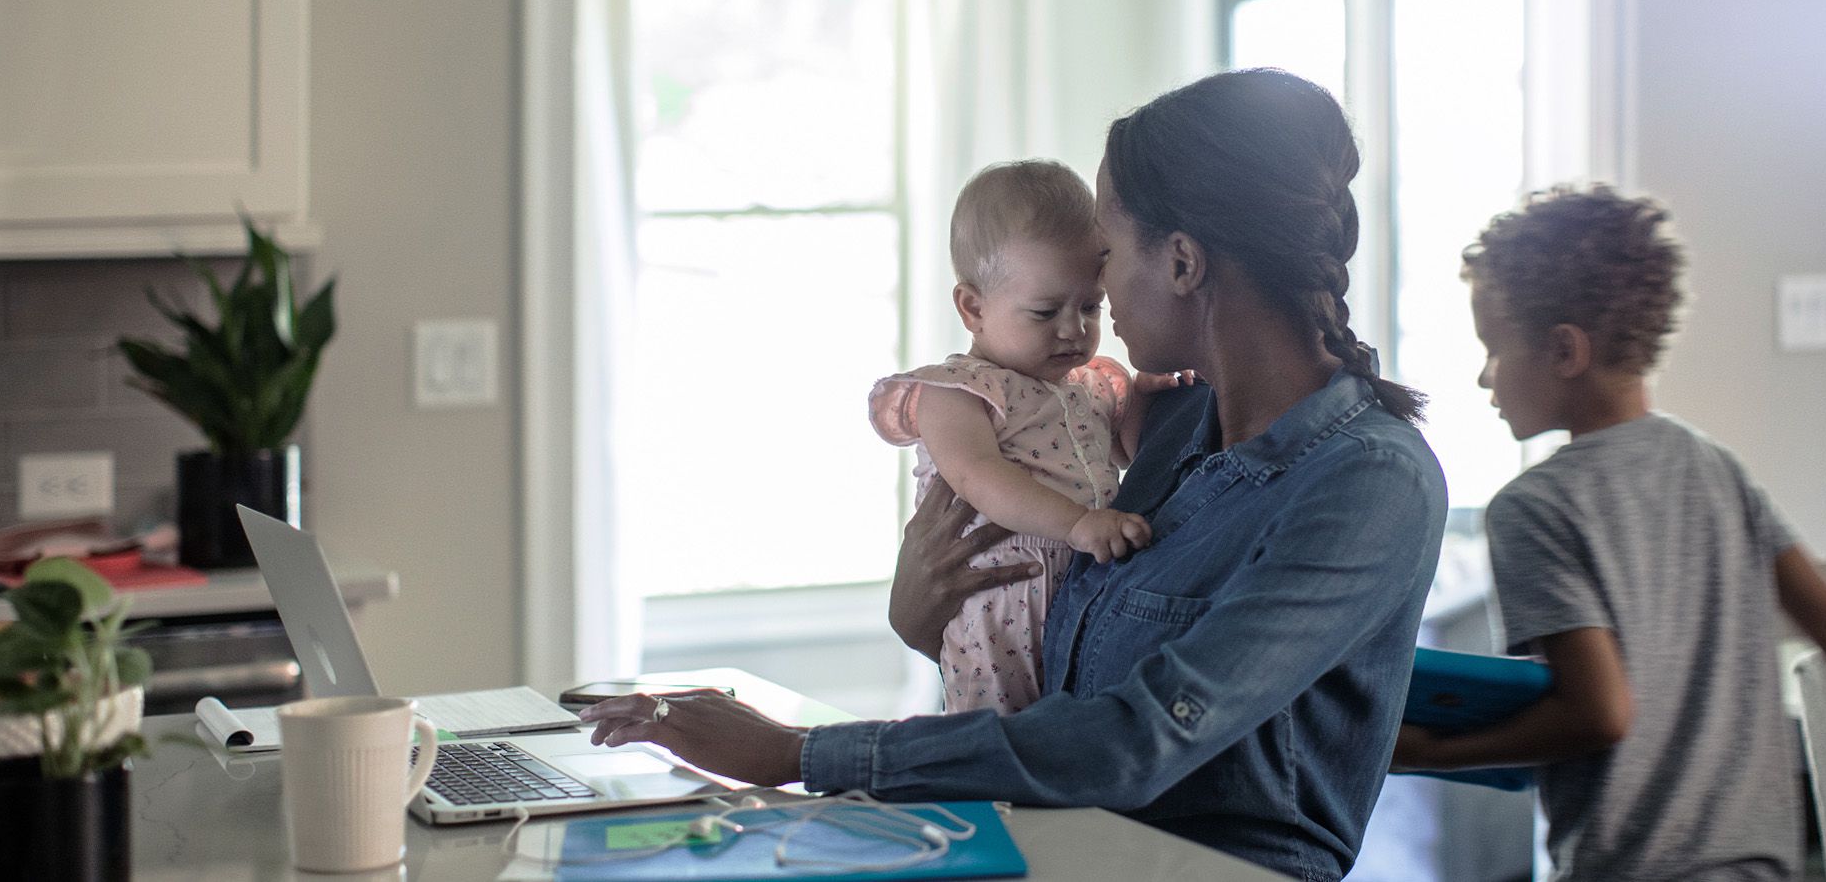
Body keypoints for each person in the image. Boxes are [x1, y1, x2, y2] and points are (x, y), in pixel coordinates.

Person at [584, 69, 1449, 880]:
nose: (1091, 290)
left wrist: (798, 752)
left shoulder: (1367, 482)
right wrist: (920, 613)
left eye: (1105, 254)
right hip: (1049, 840)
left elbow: (1132, 739)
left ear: (1182, 262)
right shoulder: (1163, 428)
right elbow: (1062, 667)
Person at [1391, 186, 1826, 880]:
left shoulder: (1534, 506)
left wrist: (1426, 751)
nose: (1484, 376)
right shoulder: (1715, 466)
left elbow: (1599, 713)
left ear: (1565, 349)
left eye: (1493, 348)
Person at [868, 159, 1180, 715]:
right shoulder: (958, 391)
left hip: (1084, 582)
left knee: (1078, 734)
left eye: (1090, 307)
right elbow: (978, 478)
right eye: (1044, 312)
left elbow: (1133, 452)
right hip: (997, 596)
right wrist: (1078, 524)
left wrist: (1151, 394)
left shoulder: (1087, 386)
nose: (1073, 329)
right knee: (998, 741)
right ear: (973, 307)